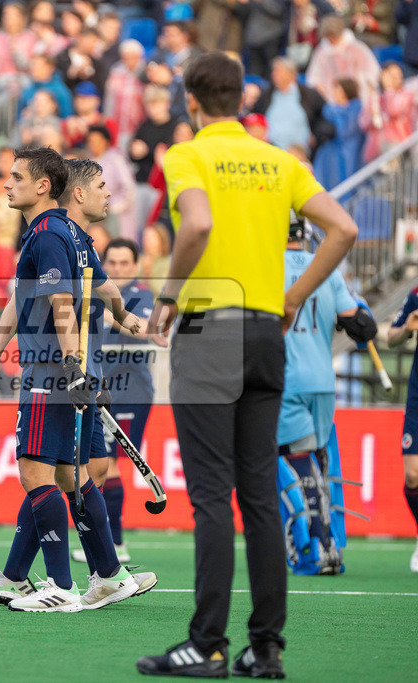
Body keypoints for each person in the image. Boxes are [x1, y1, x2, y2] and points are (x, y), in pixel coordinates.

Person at [138, 52, 358, 678]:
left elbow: (198, 223)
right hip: (267, 328)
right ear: (242, 98)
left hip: (209, 327)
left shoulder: (186, 156)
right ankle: (265, 648)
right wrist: (294, 296)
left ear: (191, 101)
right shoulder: (279, 160)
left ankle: (205, 643)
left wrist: (169, 295)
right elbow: (341, 229)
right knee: (261, 495)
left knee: (213, 497)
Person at [0, 147, 89, 613]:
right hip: (46, 366)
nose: (6, 183)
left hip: (49, 371)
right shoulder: (41, 233)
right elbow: (19, 301)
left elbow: (62, 302)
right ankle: (17, 578)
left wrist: (72, 365)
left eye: (16, 176)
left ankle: (62, 586)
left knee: (35, 473)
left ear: (43, 186)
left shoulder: (49, 233)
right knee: (52, 473)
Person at [278, 220, 374, 575]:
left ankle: (315, 547)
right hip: (323, 380)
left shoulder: (267, 268)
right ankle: (331, 543)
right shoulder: (328, 270)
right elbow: (363, 326)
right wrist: (356, 308)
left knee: (294, 463)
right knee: (319, 460)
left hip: (285, 380)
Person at [76, 238, 156, 565]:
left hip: (131, 393)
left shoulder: (141, 295)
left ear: (135, 266)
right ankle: (107, 541)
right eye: (112, 263)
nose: (119, 269)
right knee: (99, 465)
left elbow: (145, 329)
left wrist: (106, 312)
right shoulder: (99, 292)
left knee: (108, 465)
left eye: (125, 263)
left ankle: (115, 543)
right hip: (102, 390)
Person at [387, 284, 418, 573]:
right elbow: (391, 337)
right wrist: (408, 328)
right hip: (417, 392)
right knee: (413, 474)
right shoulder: (416, 294)